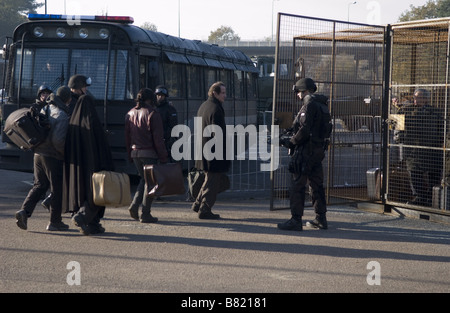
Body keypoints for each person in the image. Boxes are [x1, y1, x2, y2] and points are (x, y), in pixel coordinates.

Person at [278, 78, 331, 231]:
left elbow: (304, 129)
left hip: (305, 152)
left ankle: (295, 220)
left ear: (304, 91)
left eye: (298, 92)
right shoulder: (322, 105)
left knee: (297, 186)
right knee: (316, 185)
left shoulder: (309, 106)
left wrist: (291, 142)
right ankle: (321, 218)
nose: (297, 95)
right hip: (317, 151)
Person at [15, 86, 71, 231]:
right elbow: (58, 141)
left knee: (39, 185)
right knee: (57, 189)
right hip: (52, 156)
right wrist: (63, 154)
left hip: (38, 154)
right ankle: (55, 221)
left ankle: (24, 211)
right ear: (67, 99)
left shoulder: (44, 109)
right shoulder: (62, 115)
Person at [63, 80, 114, 235]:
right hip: (94, 164)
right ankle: (85, 218)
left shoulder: (73, 122)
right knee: (97, 192)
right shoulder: (94, 123)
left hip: (77, 166)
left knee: (82, 191)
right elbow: (102, 146)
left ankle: (90, 223)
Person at [125, 88, 168, 223]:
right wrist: (163, 156)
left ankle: (134, 206)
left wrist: (130, 155)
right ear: (151, 99)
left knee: (144, 180)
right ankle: (145, 213)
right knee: (150, 183)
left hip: (135, 152)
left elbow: (127, 137)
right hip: (149, 153)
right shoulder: (153, 113)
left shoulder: (130, 113)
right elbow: (158, 138)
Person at [192, 81, 230, 219]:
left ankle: (197, 204)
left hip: (204, 149)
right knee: (213, 182)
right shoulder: (216, 109)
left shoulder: (204, 106)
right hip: (214, 152)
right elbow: (217, 133)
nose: (225, 96)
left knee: (209, 179)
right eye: (223, 93)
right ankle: (205, 209)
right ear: (215, 93)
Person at [399, 88, 443, 206]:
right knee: (414, 173)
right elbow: (398, 124)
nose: (415, 100)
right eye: (415, 97)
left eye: (418, 97)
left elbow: (442, 129)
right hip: (413, 149)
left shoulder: (436, 112)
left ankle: (431, 197)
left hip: (432, 149)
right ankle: (419, 197)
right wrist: (399, 137)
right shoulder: (406, 110)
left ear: (425, 99)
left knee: (433, 173)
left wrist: (440, 141)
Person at [155, 85, 178, 162]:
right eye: (158, 95)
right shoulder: (154, 108)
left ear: (165, 96)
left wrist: (166, 137)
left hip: (166, 141)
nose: (160, 97)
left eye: (161, 96)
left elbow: (173, 126)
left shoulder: (170, 109)